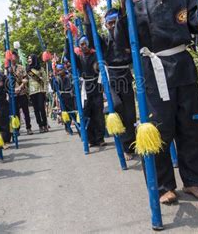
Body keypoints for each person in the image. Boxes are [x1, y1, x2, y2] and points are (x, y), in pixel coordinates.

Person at [115, 0, 198, 204]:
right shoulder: (135, 7)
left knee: (191, 126)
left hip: (182, 66)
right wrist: (122, 8)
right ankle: (163, 186)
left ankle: (194, 181)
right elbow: (122, 44)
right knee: (158, 129)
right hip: (153, 71)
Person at [86, 8, 137, 160]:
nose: (113, 25)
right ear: (106, 25)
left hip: (126, 77)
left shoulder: (127, 37)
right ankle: (123, 144)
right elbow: (90, 36)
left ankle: (131, 145)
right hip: (111, 78)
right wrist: (86, 15)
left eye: (116, 22)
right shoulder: (103, 41)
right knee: (116, 106)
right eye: (110, 23)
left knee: (130, 115)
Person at [65, 35, 106, 147]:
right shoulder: (79, 58)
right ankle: (90, 139)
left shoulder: (96, 55)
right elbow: (69, 55)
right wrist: (67, 39)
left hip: (96, 87)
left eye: (84, 43)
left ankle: (100, 138)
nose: (83, 46)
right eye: (81, 44)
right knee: (86, 113)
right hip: (85, 89)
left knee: (98, 113)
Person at [10, 51, 33, 135]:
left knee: (25, 111)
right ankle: (17, 129)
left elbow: (25, 79)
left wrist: (20, 87)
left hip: (22, 92)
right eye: (11, 57)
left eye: (14, 57)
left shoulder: (21, 67)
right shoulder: (7, 69)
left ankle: (28, 128)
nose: (13, 59)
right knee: (15, 113)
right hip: (13, 94)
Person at [26, 54, 49, 133]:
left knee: (41, 108)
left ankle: (45, 124)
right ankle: (40, 126)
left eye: (30, 58)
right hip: (32, 92)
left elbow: (45, 80)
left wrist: (45, 90)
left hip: (40, 90)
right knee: (36, 110)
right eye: (28, 58)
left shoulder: (40, 68)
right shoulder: (28, 69)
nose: (29, 60)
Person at [52, 64, 76, 134]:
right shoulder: (57, 78)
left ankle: (77, 126)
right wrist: (53, 81)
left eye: (60, 70)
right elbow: (55, 89)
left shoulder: (69, 76)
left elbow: (73, 85)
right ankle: (67, 128)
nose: (59, 72)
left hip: (70, 96)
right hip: (62, 97)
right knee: (65, 113)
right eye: (58, 70)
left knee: (73, 112)